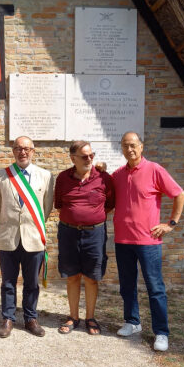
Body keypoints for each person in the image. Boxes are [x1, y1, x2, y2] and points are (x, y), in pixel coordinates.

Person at [112, 131, 184, 352]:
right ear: (122, 148)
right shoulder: (117, 175)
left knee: (155, 288)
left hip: (148, 241)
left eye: (133, 145)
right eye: (125, 146)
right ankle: (132, 322)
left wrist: (170, 224)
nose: (130, 149)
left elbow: (180, 194)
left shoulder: (154, 169)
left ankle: (161, 332)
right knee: (127, 285)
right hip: (123, 239)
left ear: (141, 147)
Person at [0, 136, 54, 338]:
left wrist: (31, 225)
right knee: (8, 282)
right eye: (18, 148)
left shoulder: (45, 176)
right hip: (9, 237)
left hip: (33, 237)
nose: (22, 152)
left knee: (32, 283)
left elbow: (46, 207)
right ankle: (8, 318)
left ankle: (30, 318)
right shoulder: (1, 175)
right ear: (13, 151)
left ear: (33, 151)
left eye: (27, 148)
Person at [54, 141, 114, 335]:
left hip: (94, 233)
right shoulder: (63, 178)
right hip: (68, 232)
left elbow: (110, 204)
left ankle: (90, 317)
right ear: (73, 159)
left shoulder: (104, 178)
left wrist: (91, 217)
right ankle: (73, 316)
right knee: (72, 277)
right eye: (84, 156)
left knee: (91, 277)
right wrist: (77, 216)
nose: (89, 159)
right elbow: (59, 204)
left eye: (91, 155)